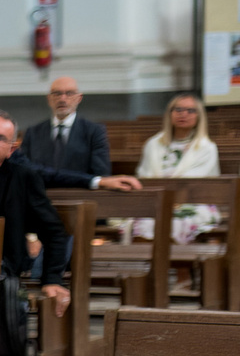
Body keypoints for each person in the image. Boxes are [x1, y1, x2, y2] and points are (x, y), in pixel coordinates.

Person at [0, 112, 74, 356]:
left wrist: (52, 279)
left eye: (0, 138)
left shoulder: (22, 179)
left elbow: (54, 233)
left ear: (11, 149)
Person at [134, 91, 223, 242]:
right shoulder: (153, 144)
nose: (183, 114)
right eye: (178, 109)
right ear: (170, 113)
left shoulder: (206, 147)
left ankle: (180, 262)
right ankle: (146, 262)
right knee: (143, 222)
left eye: (190, 110)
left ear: (199, 116)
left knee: (180, 222)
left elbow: (196, 182)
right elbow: (145, 176)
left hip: (193, 202)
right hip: (156, 200)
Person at [23, 75, 119, 187]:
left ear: (79, 98)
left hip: (81, 198)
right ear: (49, 99)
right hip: (40, 196)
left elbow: (101, 175)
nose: (62, 99)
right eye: (57, 94)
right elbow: (25, 172)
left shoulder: (94, 131)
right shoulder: (33, 133)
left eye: (69, 93)